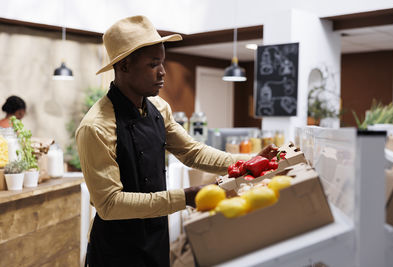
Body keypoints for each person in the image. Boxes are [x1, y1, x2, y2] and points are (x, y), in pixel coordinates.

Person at [76, 15, 277, 267]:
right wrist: (186, 196)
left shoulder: (159, 108)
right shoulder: (95, 127)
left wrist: (251, 162)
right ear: (124, 66)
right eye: (153, 64)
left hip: (156, 239)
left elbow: (193, 153)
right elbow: (110, 204)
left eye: (162, 62)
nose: (162, 72)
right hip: (116, 250)